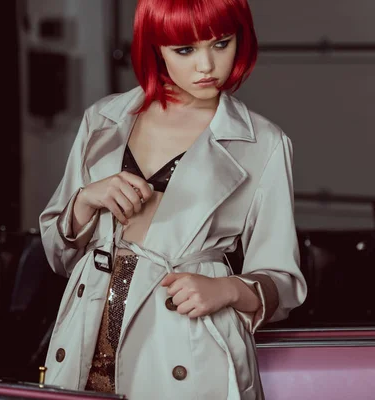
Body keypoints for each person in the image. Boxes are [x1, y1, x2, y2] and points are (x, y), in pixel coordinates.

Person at [38, 0, 307, 398]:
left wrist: (229, 289)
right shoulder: (103, 120)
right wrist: (84, 201)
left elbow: (284, 281)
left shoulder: (263, 144)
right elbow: (58, 257)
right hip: (86, 336)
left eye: (221, 43)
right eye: (185, 49)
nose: (206, 66)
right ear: (155, 48)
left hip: (188, 345)